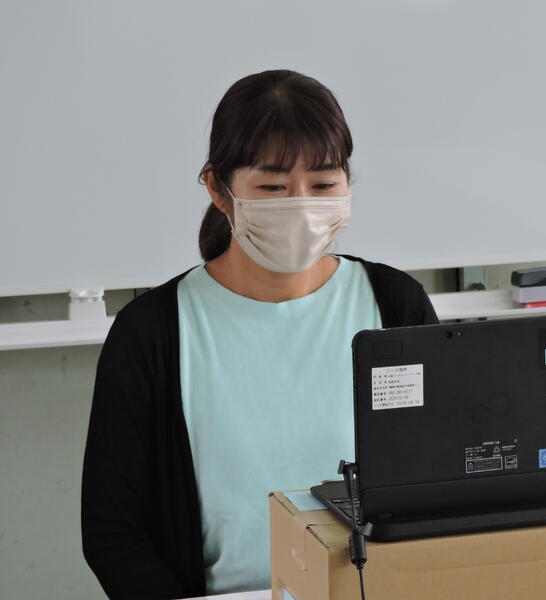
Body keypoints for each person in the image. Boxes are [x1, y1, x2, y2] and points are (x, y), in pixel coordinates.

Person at [81, 69, 439, 600]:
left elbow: (441, 484)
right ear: (218, 189)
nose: (301, 206)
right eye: (272, 188)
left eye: (323, 185)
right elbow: (114, 534)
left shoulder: (395, 306)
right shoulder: (152, 332)